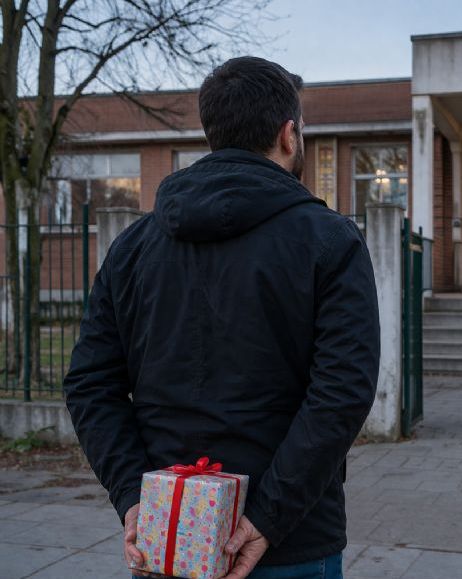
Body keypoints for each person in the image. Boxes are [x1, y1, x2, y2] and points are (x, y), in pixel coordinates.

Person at [63, 57, 380, 579]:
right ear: (288, 133)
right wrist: (265, 518)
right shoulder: (329, 240)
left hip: (170, 536)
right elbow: (343, 391)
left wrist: (135, 498)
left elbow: (89, 383)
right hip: (293, 541)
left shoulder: (132, 247)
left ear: (213, 134)